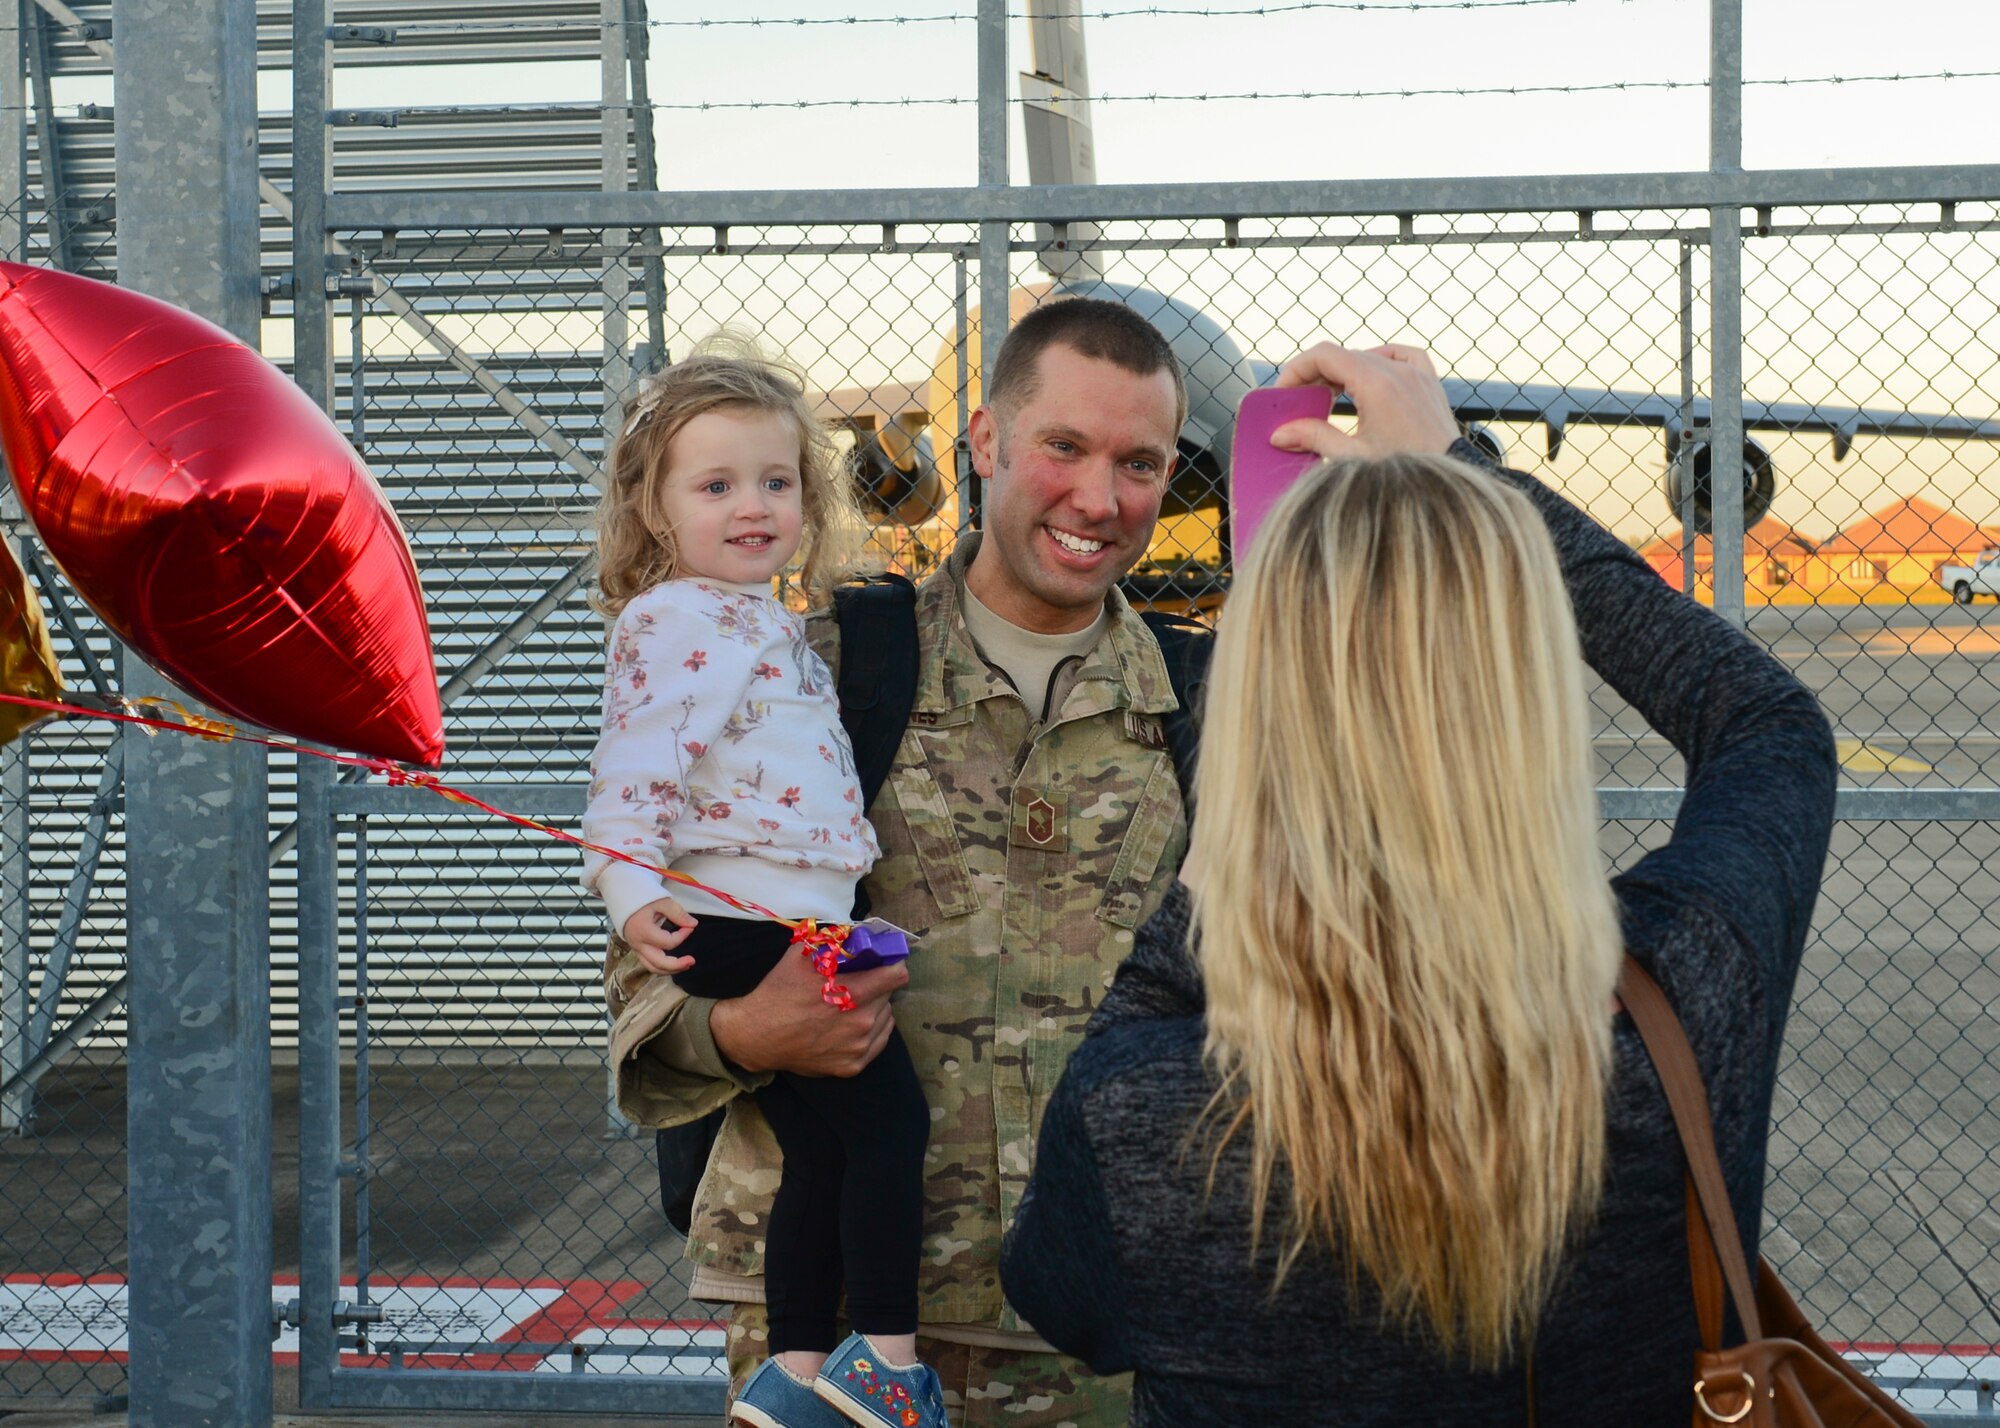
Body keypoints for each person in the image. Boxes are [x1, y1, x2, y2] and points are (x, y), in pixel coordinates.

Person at [999, 342, 1839, 1426]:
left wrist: (1207, 883)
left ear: (1256, 704)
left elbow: (1054, 1297)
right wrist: (1463, 472)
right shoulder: (1679, 999)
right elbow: (1767, 725)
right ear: (1527, 685)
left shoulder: (1138, 1106)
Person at [601, 297, 1200, 1427]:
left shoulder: (1208, 705)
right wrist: (740, 1030)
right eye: (1062, 447)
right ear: (983, 442)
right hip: (821, 1346)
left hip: (1096, 1335)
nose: (1099, 498)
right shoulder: (812, 666)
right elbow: (645, 978)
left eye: (1140, 463)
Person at [581, 342, 946, 1428]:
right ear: (654, 509)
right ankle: (883, 1354)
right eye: (717, 484)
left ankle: (792, 1373)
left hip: (782, 917)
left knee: (823, 1148)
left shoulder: (751, 617)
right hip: (746, 921)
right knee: (887, 1129)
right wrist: (626, 887)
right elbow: (631, 771)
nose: (754, 506)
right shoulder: (681, 621)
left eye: (776, 482)